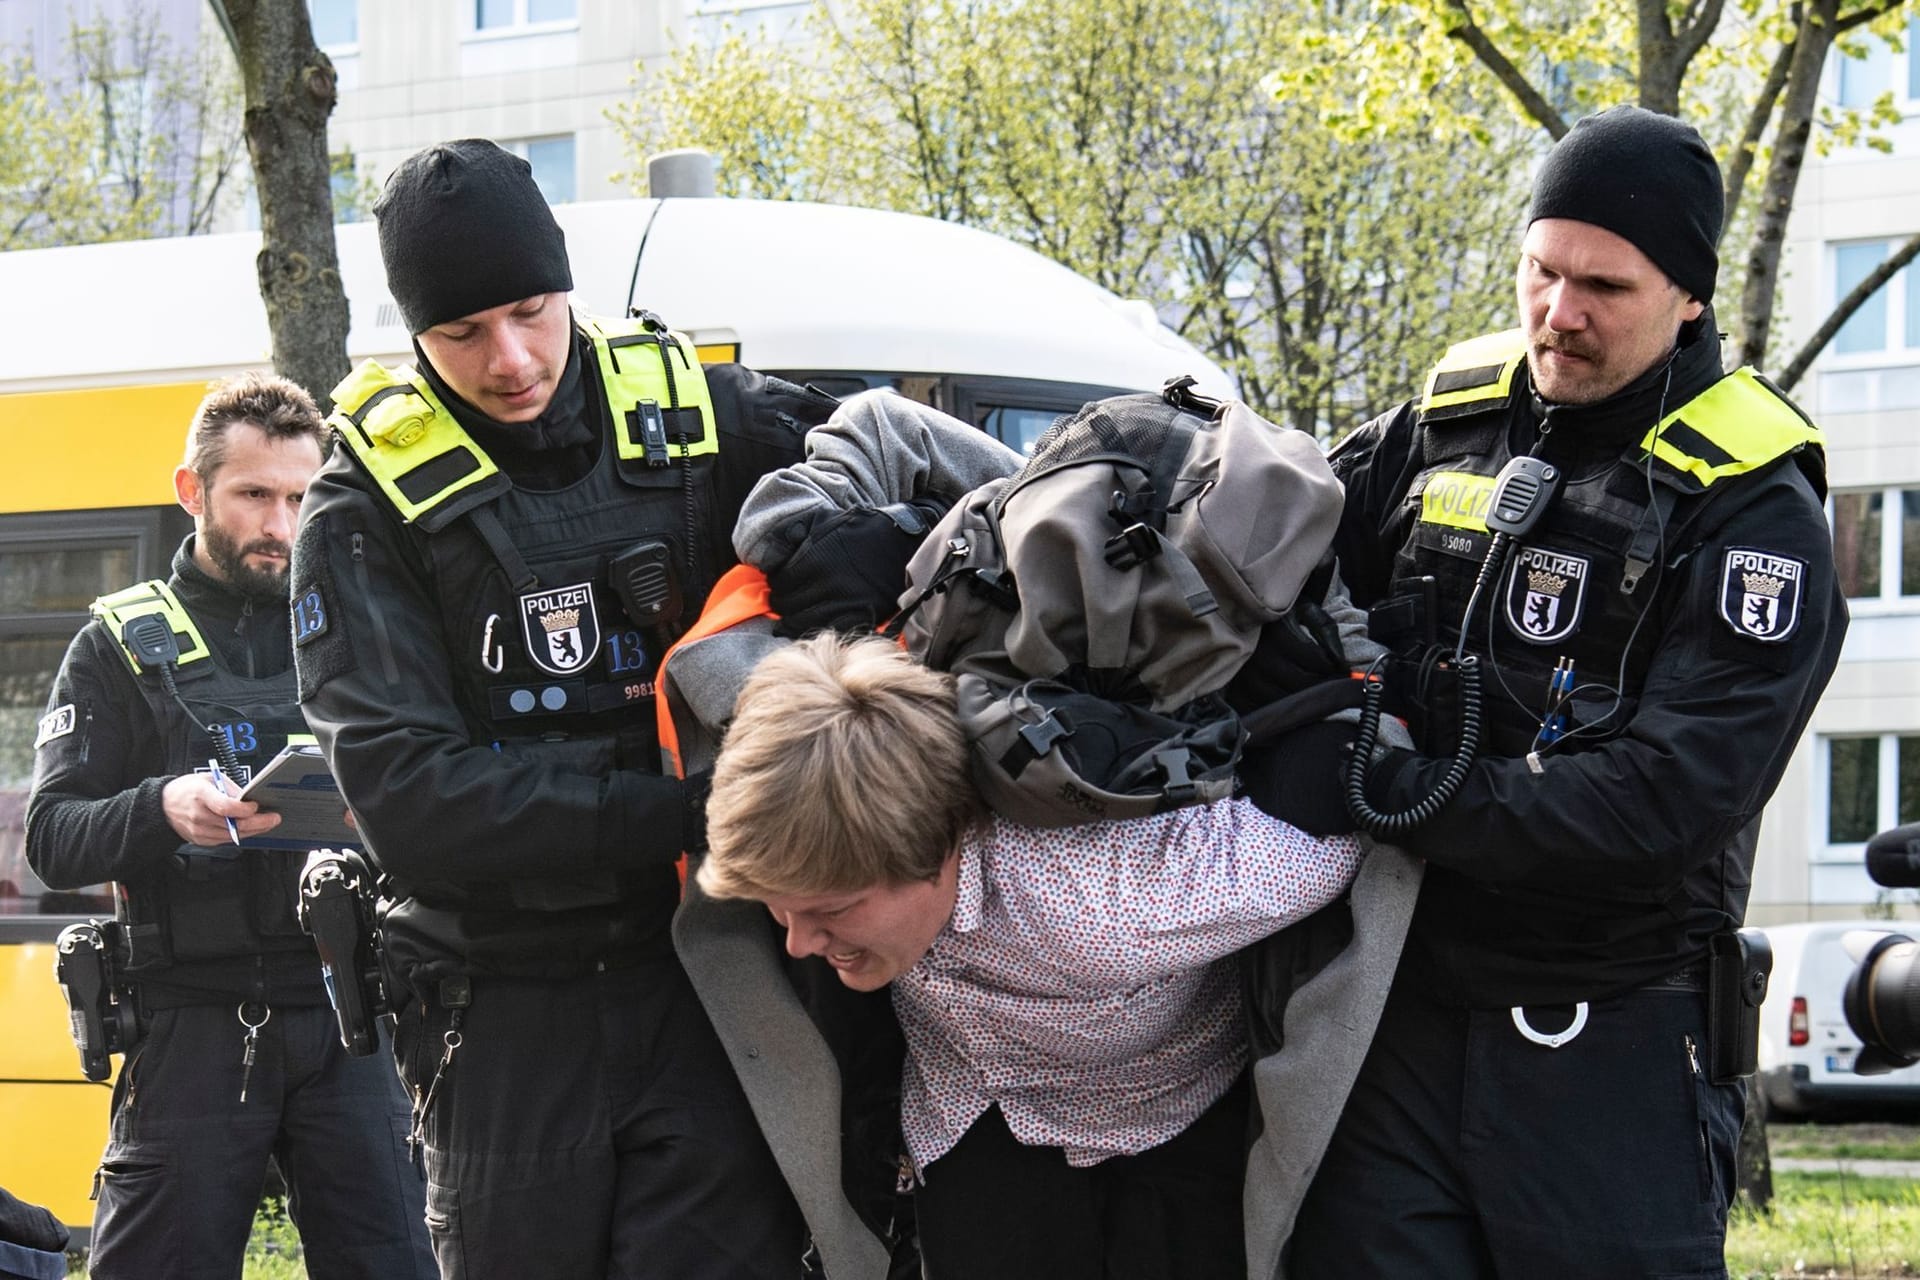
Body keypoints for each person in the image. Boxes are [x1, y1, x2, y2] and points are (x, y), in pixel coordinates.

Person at [1288, 106, 1849, 1278]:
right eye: (1541, 271)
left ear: (1689, 296)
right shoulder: (1447, 424)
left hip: (1611, 1040)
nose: (1559, 313)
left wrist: (1390, 790)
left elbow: (1660, 802)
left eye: (1606, 286)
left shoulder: (1754, 508)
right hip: (1394, 1016)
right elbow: (1270, 562)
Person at [289, 139, 828, 1278]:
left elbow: (889, 496)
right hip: (501, 1013)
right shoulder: (361, 507)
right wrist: (691, 814)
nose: (512, 359)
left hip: (711, 978)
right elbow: (413, 801)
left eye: (532, 310)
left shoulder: (710, 420)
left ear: (564, 283)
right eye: (461, 333)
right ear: (415, 333)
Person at [697, 633, 1366, 1280]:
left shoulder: (1106, 909)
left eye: (831, 912)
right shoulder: (823, 822)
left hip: (1174, 1121)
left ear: (935, 854)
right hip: (968, 1117)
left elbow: (1335, 821)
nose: (798, 943)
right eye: (780, 909)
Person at [24, 372, 434, 1280]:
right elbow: (49, 837)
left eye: (300, 497)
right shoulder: (119, 644)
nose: (281, 526)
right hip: (197, 1028)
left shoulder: (364, 630)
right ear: (192, 491)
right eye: (253, 495)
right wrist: (160, 809)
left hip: (352, 1021)